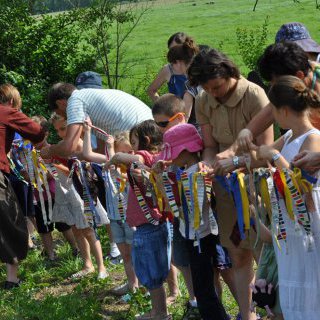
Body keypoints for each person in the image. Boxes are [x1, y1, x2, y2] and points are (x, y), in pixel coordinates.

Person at [187, 48, 274, 320]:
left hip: (257, 186)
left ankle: (275, 311)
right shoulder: (203, 100)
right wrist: (206, 163)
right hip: (225, 188)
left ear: (229, 73)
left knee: (265, 254)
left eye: (217, 86)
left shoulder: (254, 95)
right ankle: (248, 315)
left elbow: (268, 152)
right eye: (207, 88)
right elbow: (210, 147)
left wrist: (235, 161)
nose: (213, 93)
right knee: (237, 253)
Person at [254, 75, 320, 319]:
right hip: (289, 227)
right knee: (293, 281)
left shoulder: (312, 138)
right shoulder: (290, 136)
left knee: (311, 284)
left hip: (307, 225)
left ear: (282, 110)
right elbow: (262, 156)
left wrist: (273, 155)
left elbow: (298, 186)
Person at [156, 123, 229, 320]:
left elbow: (177, 210)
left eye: (173, 153)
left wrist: (161, 180)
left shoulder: (193, 175)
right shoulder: (192, 171)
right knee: (206, 285)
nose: (170, 158)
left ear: (186, 151)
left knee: (203, 289)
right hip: (201, 235)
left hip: (199, 238)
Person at [107, 120, 172, 320]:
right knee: (156, 271)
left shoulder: (144, 156)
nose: (132, 147)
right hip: (157, 223)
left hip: (147, 226)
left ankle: (159, 313)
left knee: (151, 272)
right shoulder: (157, 159)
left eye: (133, 142)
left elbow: (120, 156)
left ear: (145, 141)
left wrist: (112, 158)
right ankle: (159, 311)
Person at [82, 122, 138, 295]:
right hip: (115, 218)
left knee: (136, 256)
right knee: (126, 256)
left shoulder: (135, 166)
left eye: (129, 152)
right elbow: (87, 154)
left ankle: (144, 288)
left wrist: (112, 149)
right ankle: (132, 285)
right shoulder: (109, 163)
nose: (125, 156)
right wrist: (87, 131)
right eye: (122, 153)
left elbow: (117, 166)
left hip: (132, 218)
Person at [50, 114, 108, 280]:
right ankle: (87, 264)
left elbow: (82, 168)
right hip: (69, 191)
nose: (61, 133)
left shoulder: (78, 144)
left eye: (64, 129)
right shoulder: (62, 144)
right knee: (76, 229)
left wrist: (57, 163)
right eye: (57, 130)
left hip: (82, 192)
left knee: (88, 230)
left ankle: (101, 267)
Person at [0, 84, 45, 289]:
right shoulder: (6, 111)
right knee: (12, 221)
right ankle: (12, 278)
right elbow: (37, 131)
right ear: (11, 102)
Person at [75, 71, 121, 261]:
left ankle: (115, 245)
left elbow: (102, 148)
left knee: (111, 206)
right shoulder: (80, 112)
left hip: (106, 165)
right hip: (91, 164)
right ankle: (114, 244)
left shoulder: (104, 110)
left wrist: (83, 150)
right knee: (101, 206)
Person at [40, 83, 152, 159]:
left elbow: (69, 147)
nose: (65, 118)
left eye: (60, 114)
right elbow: (100, 152)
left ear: (61, 103)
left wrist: (50, 150)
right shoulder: (87, 99)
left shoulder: (74, 101)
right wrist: (73, 158)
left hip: (139, 136)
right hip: (149, 131)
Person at [147, 32, 199, 126]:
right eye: (171, 50)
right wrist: (165, 108)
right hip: (177, 121)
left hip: (201, 120)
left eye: (175, 49)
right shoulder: (168, 70)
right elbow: (151, 90)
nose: (173, 53)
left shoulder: (198, 68)